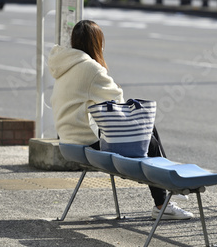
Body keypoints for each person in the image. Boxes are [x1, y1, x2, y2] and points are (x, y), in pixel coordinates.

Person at [48, 19, 192, 220]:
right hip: (87, 143)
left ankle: (167, 189)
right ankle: (163, 202)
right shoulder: (90, 68)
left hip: (68, 141)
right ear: (96, 43)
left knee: (149, 130)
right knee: (147, 139)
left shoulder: (65, 64)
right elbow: (118, 101)